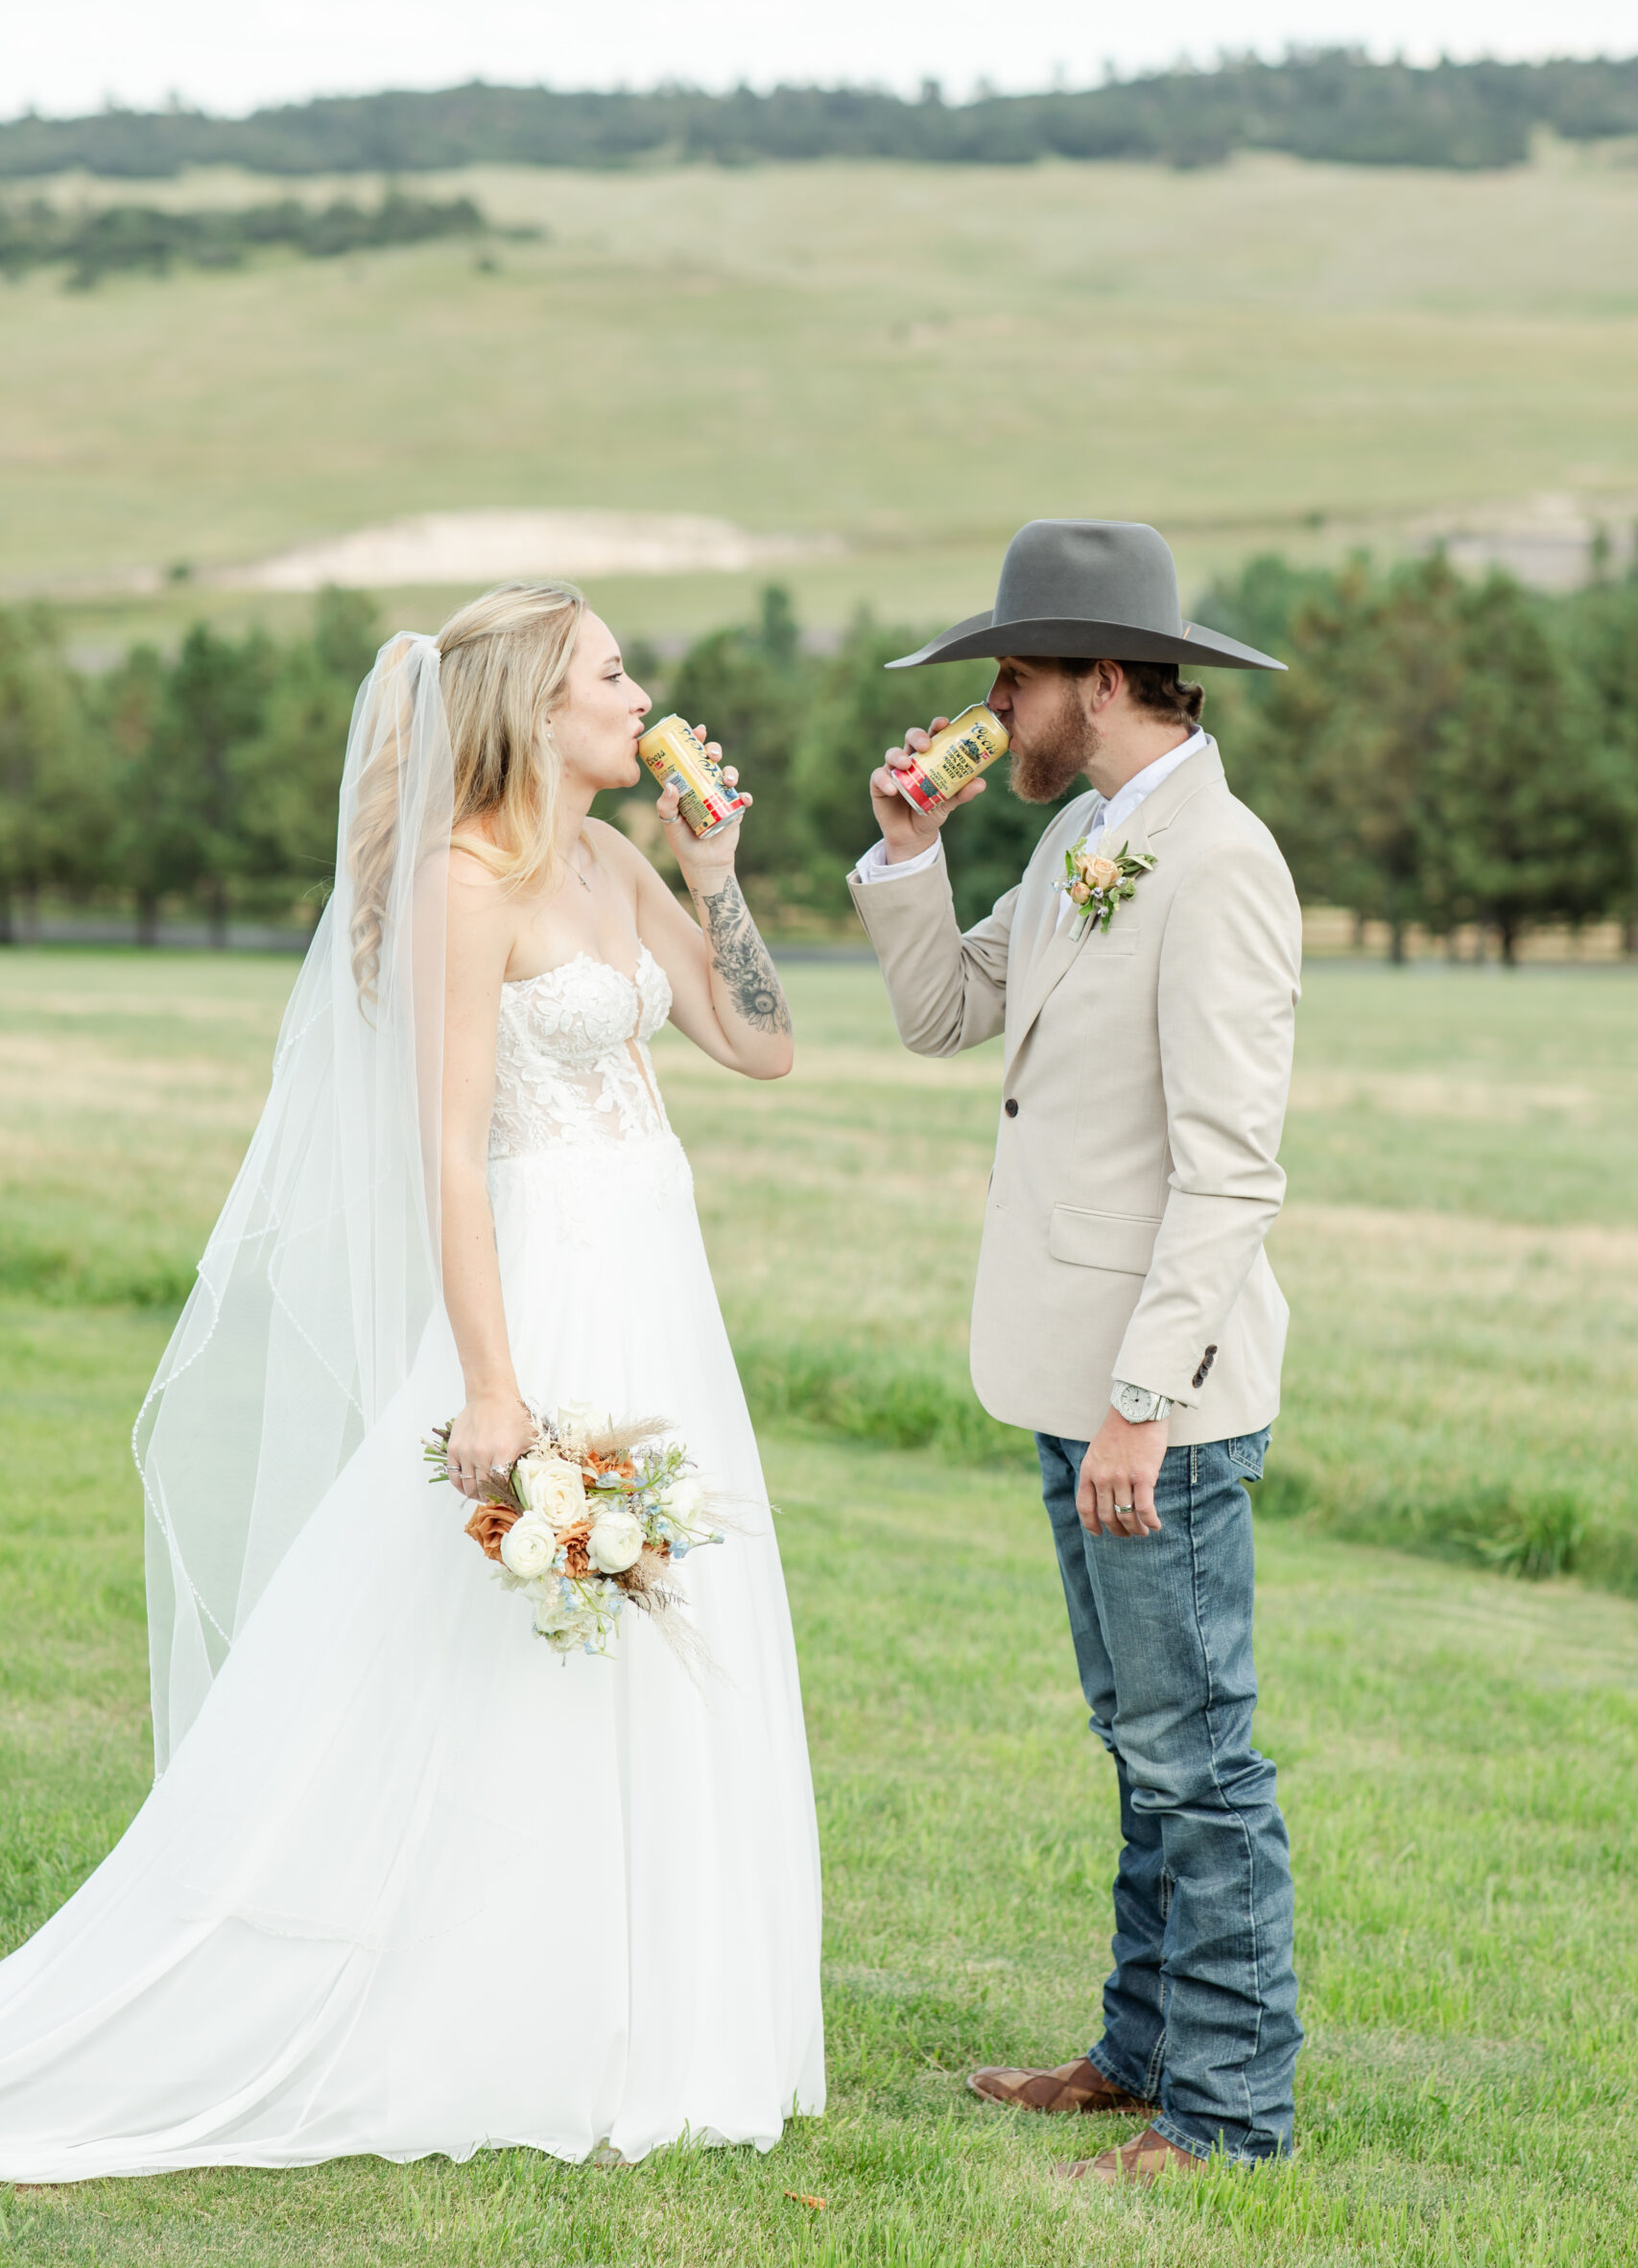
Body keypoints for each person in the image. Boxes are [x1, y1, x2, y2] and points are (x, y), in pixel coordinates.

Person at [0, 583, 824, 2180]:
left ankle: (653, 2012)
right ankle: (485, 1998)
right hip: (543, 1280)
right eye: (609, 670)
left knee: (670, 1624)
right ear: (534, 707)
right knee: (500, 1642)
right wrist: (496, 1388)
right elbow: (448, 1152)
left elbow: (760, 1044)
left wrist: (716, 876)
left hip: (661, 1282)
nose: (638, 690)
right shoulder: (468, 881)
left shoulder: (611, 856)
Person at [849, 519, 1303, 2185]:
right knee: (1139, 1741)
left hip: (1153, 1404)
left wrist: (1141, 1404)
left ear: (1099, 681)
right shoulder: (1081, 845)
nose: (994, 706)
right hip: (1071, 1374)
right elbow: (952, 1016)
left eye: (1012, 678)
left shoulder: (1222, 862)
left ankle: (1231, 2109)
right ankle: (1136, 2051)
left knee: (1198, 1754)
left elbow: (1231, 1164)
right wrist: (908, 854)